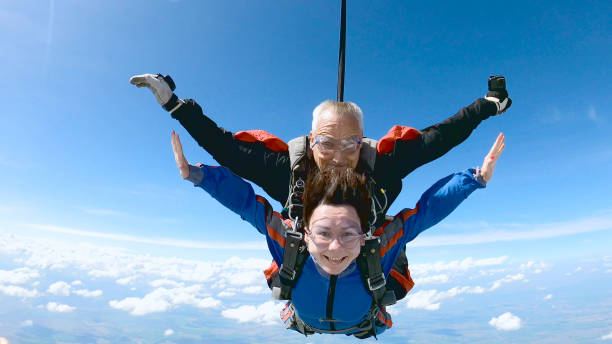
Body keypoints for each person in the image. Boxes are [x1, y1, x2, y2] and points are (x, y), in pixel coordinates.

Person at [130, 73, 512, 299]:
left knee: (384, 274)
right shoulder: (289, 171)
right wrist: (175, 105)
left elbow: (441, 137)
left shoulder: (383, 164)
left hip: (369, 251)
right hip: (309, 253)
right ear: (312, 141)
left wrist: (488, 104)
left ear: (363, 140)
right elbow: (227, 149)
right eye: (327, 143)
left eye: (351, 144)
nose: (339, 156)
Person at [170, 130, 505, 338]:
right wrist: (195, 174)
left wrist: (475, 178)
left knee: (377, 303)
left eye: (349, 233)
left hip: (360, 322)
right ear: (305, 230)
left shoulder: (378, 245)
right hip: (326, 318)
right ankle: (310, 318)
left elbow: (426, 212)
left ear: (365, 234)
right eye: (323, 232)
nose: (335, 247)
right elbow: (246, 204)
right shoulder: (291, 243)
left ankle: (348, 320)